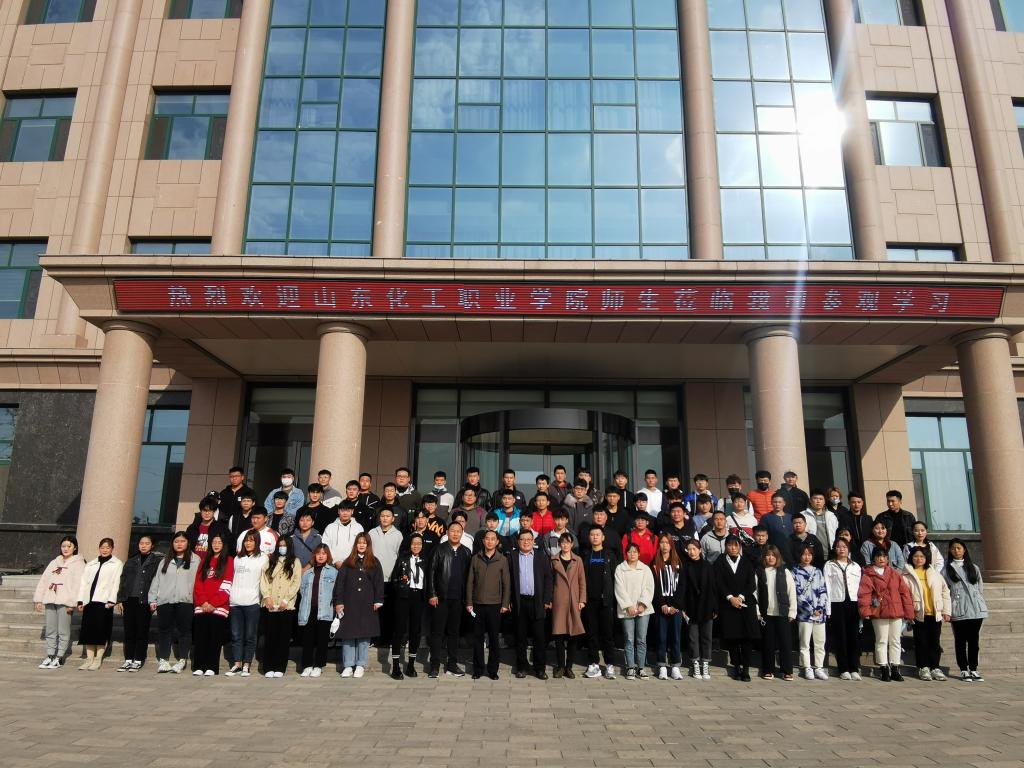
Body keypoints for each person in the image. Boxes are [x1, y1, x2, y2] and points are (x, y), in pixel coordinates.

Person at [857, 546, 914, 682]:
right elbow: (864, 594)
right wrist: (865, 611)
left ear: (888, 559)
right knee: (881, 640)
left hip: (896, 611)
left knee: (896, 641)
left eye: (884, 556)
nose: (881, 559)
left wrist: (909, 612)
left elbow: (904, 593)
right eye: (878, 556)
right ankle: (883, 668)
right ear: (873, 558)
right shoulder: (868, 574)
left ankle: (895, 668)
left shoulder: (895, 574)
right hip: (879, 612)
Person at [332, 532, 385, 678]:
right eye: (359, 542)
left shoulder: (374, 562)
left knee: (364, 635)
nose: (361, 545)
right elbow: (340, 584)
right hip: (349, 603)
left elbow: (379, 582)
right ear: (355, 545)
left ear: (368, 545)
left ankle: (361, 664)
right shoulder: (348, 562)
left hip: (367, 603)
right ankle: (348, 665)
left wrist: (378, 600)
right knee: (348, 635)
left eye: (364, 543)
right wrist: (338, 602)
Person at [426, 521, 472, 678]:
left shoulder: (466, 552)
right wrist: (432, 593)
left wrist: (467, 599)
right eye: (452, 531)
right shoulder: (439, 549)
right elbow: (431, 572)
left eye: (458, 531)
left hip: (458, 599)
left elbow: (469, 577)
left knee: (454, 633)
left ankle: (452, 665)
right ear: (447, 532)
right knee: (437, 633)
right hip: (441, 598)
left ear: (462, 533)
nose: (455, 534)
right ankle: (434, 666)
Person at [149, 532, 199, 674]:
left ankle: (182, 659)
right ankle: (163, 660)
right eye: (176, 541)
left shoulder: (196, 560)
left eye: (182, 541)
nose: (179, 544)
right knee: (164, 630)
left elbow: (199, 581)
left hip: (186, 601)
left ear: (188, 543)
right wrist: (152, 599)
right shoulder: (165, 560)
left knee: (185, 631)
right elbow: (157, 580)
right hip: (165, 600)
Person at [34, 535, 85, 669]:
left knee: (63, 630)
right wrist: (39, 599)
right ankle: (50, 654)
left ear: (75, 548)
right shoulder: (54, 562)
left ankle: (59, 656)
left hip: (65, 601)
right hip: (50, 599)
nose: (66, 549)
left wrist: (72, 603)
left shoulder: (79, 564)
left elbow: (78, 585)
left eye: (69, 546)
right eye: (63, 546)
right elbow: (44, 580)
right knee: (50, 629)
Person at [466, 529, 511, 680]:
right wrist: (469, 602)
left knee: (493, 638)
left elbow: (506, 584)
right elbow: (470, 582)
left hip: (495, 605)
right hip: (477, 605)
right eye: (487, 538)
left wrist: (505, 603)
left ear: (497, 542)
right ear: (483, 541)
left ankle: (492, 670)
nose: (490, 541)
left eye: (493, 539)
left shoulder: (502, 559)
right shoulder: (476, 558)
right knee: (477, 638)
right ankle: (478, 669)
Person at [509, 528, 553, 680]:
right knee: (520, 637)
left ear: (533, 541)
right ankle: (522, 667)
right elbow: (508, 580)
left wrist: (547, 599)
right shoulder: (512, 556)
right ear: (518, 541)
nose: (526, 542)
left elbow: (548, 579)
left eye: (529, 539)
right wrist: (509, 600)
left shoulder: (541, 556)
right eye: (522, 539)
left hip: (537, 601)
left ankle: (540, 668)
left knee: (539, 637)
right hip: (519, 601)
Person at [75, 538, 125, 671]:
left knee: (101, 631)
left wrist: (112, 600)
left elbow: (116, 583)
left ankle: (98, 659)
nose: (105, 550)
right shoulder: (92, 563)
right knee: (88, 631)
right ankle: (89, 659)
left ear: (112, 549)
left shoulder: (117, 563)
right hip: (89, 601)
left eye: (108, 547)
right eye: (102, 547)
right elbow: (84, 583)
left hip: (104, 602)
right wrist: (80, 600)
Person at [942, 538, 988, 682]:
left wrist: (979, 602)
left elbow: (980, 587)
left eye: (959, 548)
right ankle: (963, 669)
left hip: (975, 609)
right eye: (953, 548)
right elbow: (945, 590)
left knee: (974, 641)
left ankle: (973, 668)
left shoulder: (974, 567)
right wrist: (947, 609)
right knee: (960, 641)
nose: (956, 551)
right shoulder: (946, 569)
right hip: (958, 608)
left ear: (964, 550)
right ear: (950, 551)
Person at [713, 536, 758, 682]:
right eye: (730, 545)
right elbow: (718, 582)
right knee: (732, 638)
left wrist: (741, 597)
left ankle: (746, 669)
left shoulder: (746, 562)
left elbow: (751, 583)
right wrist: (730, 598)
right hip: (728, 605)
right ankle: (736, 667)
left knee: (747, 638)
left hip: (746, 604)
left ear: (739, 547)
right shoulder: (719, 562)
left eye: (735, 545)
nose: (733, 548)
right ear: (726, 547)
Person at [903, 545, 951, 681]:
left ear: (926, 558)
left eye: (922, 556)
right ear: (911, 558)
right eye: (916, 556)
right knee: (921, 642)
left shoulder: (934, 573)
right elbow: (905, 596)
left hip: (935, 613)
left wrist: (946, 611)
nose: (919, 559)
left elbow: (945, 591)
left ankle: (935, 667)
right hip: (919, 614)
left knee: (935, 642)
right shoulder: (906, 575)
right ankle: (923, 667)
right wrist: (908, 613)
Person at [114, 535, 159, 672]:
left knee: (141, 631)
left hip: (144, 600)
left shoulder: (156, 562)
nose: (143, 546)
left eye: (147, 543)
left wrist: (155, 599)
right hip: (129, 599)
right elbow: (123, 580)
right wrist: (120, 599)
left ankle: (138, 659)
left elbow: (157, 581)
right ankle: (128, 659)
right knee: (129, 630)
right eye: (141, 543)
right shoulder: (131, 560)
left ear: (152, 545)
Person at [226, 530, 267, 677]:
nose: (248, 543)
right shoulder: (238, 558)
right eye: (246, 540)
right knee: (236, 635)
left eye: (251, 540)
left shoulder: (263, 558)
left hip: (252, 602)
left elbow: (265, 579)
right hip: (235, 602)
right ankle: (237, 663)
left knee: (250, 635)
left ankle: (246, 664)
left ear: (257, 542)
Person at [191, 533, 233, 676]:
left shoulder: (229, 560)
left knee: (215, 638)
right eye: (214, 542)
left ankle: (211, 667)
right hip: (202, 605)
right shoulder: (204, 560)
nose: (216, 545)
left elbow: (227, 583)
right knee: (200, 637)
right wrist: (203, 602)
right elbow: (198, 583)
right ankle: (199, 666)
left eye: (219, 542)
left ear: (224, 545)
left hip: (219, 607)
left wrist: (213, 603)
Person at [260, 536, 302, 678]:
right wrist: (267, 596)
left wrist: (286, 599)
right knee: (270, 636)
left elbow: (296, 582)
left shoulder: (295, 562)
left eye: (284, 545)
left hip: (286, 605)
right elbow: (264, 580)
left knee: (283, 638)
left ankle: (280, 667)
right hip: (271, 604)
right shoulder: (270, 561)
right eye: (280, 545)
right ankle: (268, 667)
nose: (282, 548)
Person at [582, 525, 619, 679]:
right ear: (589, 537)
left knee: (607, 634)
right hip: (590, 600)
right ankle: (594, 664)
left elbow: (616, 578)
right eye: (592, 534)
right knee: (592, 633)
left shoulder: (609, 555)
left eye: (598, 534)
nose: (595, 537)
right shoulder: (585, 555)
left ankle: (610, 665)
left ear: (603, 537)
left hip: (606, 601)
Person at [390, 533, 428, 679]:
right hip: (404, 597)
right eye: (413, 543)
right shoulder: (403, 559)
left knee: (415, 631)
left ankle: (411, 665)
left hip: (419, 598)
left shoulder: (426, 560)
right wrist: (400, 588)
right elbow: (394, 578)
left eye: (419, 543)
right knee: (399, 630)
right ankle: (395, 667)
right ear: (409, 545)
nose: (416, 546)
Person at [824, 538, 863, 680]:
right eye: (839, 547)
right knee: (840, 636)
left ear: (849, 549)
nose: (842, 549)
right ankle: (843, 668)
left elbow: (860, 587)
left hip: (853, 603)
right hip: (837, 603)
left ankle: (854, 668)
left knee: (853, 636)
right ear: (835, 549)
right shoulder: (829, 565)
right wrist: (828, 609)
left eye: (845, 547)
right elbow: (827, 587)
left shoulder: (856, 566)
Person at [615, 542, 654, 680]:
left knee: (641, 639)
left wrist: (643, 604)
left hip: (643, 609)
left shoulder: (645, 569)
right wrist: (628, 606)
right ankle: (630, 667)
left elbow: (649, 587)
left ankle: (641, 668)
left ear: (639, 554)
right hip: (627, 610)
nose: (632, 554)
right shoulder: (620, 568)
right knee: (629, 639)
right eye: (629, 552)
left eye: (635, 552)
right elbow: (619, 588)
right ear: (626, 553)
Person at [297, 543, 337, 678]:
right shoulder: (308, 573)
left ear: (328, 556)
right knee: (308, 639)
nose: (321, 556)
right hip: (309, 610)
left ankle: (319, 666)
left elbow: (336, 592)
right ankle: (307, 665)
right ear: (314, 555)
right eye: (318, 553)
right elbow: (302, 590)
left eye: (324, 553)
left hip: (325, 610)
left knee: (322, 640)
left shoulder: (333, 572)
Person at [550, 532, 586, 679]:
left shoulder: (578, 560)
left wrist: (582, 599)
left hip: (574, 600)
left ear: (572, 544)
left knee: (573, 634)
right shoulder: (554, 559)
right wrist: (549, 599)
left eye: (568, 542)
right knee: (559, 634)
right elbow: (550, 580)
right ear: (560, 544)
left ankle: (569, 667)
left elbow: (582, 581)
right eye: (563, 542)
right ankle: (560, 666)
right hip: (558, 600)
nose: (565, 545)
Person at [679, 538, 716, 680]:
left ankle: (705, 663)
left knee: (707, 637)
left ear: (700, 550)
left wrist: (715, 608)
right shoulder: (685, 567)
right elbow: (682, 588)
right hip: (691, 606)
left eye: (694, 549)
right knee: (693, 637)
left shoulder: (708, 566)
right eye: (689, 549)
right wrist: (683, 608)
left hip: (707, 606)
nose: (691, 552)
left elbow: (713, 587)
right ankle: (695, 663)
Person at [758, 545, 795, 681]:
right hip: (767, 613)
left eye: (773, 555)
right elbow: (755, 593)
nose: (770, 558)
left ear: (778, 557)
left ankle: (787, 670)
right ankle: (768, 669)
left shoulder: (785, 572)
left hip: (782, 612)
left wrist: (792, 611)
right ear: (764, 557)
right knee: (768, 643)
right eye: (768, 555)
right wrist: (757, 611)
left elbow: (792, 592)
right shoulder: (760, 572)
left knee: (785, 642)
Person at [793, 544, 829, 681]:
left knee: (820, 642)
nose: (807, 557)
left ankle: (819, 667)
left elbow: (823, 590)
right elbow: (797, 593)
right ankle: (807, 667)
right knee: (805, 643)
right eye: (804, 554)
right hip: (804, 614)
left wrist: (820, 608)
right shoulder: (794, 571)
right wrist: (810, 609)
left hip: (819, 614)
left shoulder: (818, 571)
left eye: (809, 554)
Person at [369, 506, 404, 645]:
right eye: (382, 516)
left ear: (393, 519)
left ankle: (386, 639)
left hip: (390, 579)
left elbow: (400, 557)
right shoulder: (372, 533)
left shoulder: (398, 535)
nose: (385, 518)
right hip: (374, 578)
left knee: (389, 610)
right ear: (379, 518)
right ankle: (373, 638)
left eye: (388, 516)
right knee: (374, 610)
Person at [651, 533, 683, 680]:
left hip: (675, 607)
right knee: (661, 637)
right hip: (661, 606)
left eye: (667, 543)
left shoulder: (678, 562)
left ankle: (675, 666)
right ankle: (662, 665)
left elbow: (682, 585)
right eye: (662, 542)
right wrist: (662, 603)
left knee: (675, 637)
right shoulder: (654, 563)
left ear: (671, 545)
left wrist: (675, 605)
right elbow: (654, 586)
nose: (664, 545)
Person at [322, 500, 364, 567]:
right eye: (343, 510)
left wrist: (352, 561)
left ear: (352, 511)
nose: (345, 513)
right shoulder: (330, 527)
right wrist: (335, 561)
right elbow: (326, 545)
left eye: (348, 511)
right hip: (333, 564)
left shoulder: (358, 527)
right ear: (338, 511)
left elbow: (361, 546)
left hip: (353, 564)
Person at [219, 466, 255, 533]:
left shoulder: (249, 492)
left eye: (237, 476)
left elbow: (254, 509)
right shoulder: (224, 493)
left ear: (242, 477)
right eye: (231, 476)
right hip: (224, 525)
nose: (234, 478)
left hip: (242, 525)